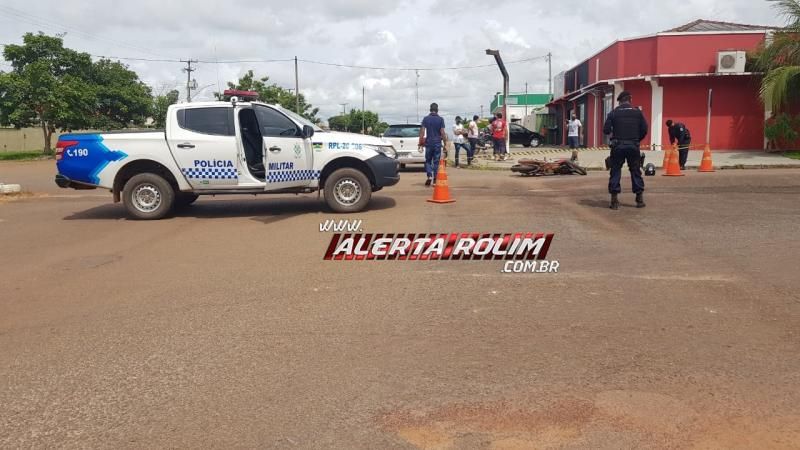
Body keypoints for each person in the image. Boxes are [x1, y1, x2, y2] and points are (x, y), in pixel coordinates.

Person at [603, 91, 648, 210]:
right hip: (633, 146)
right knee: (635, 170)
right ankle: (639, 199)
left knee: (615, 170)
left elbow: (606, 130)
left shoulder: (613, 113)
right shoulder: (637, 113)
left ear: (620, 101)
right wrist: (637, 139)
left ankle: (614, 200)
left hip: (618, 146)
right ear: (630, 100)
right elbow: (644, 129)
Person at [419, 102, 447, 186]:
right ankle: (435, 180)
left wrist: (420, 142)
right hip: (437, 143)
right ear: (437, 110)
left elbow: (422, 131)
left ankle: (429, 176)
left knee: (427, 161)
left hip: (428, 143)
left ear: (430, 109)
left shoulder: (425, 119)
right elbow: (442, 132)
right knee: (436, 162)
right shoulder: (440, 119)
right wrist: (445, 143)